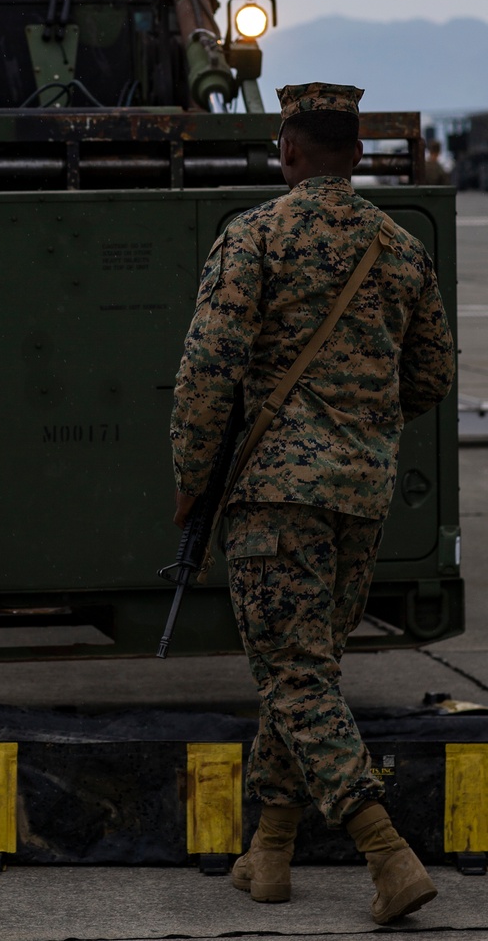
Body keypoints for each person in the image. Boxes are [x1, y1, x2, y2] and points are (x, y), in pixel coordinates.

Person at [169, 82, 455, 925]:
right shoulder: (402, 247)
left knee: (292, 676)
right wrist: (359, 424)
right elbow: (434, 376)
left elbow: (206, 370)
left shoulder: (253, 236)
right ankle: (272, 850)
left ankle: (385, 852)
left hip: (273, 497)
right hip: (361, 495)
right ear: (357, 155)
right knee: (305, 675)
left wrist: (190, 478)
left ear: (287, 152)